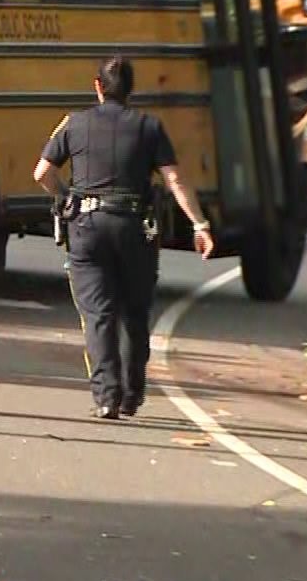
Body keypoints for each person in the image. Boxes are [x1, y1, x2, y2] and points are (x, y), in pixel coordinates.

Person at [33, 55, 214, 420]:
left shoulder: (74, 124)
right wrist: (199, 224)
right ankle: (132, 394)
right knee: (134, 312)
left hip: (87, 227)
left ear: (97, 86)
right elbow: (174, 179)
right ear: (131, 90)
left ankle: (106, 396)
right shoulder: (149, 127)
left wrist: (67, 197)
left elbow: (42, 172)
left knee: (98, 314)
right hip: (135, 227)